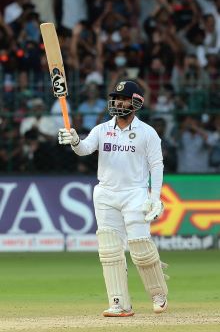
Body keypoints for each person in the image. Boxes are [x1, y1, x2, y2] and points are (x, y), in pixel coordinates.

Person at [58, 80, 168, 317]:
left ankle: (158, 293)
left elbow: (156, 165)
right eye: (116, 98)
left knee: (140, 247)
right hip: (106, 193)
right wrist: (75, 140)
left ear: (136, 102)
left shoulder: (147, 133)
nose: (118, 102)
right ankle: (119, 303)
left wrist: (155, 197)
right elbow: (85, 149)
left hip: (135, 193)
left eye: (123, 98)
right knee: (109, 249)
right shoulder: (101, 129)